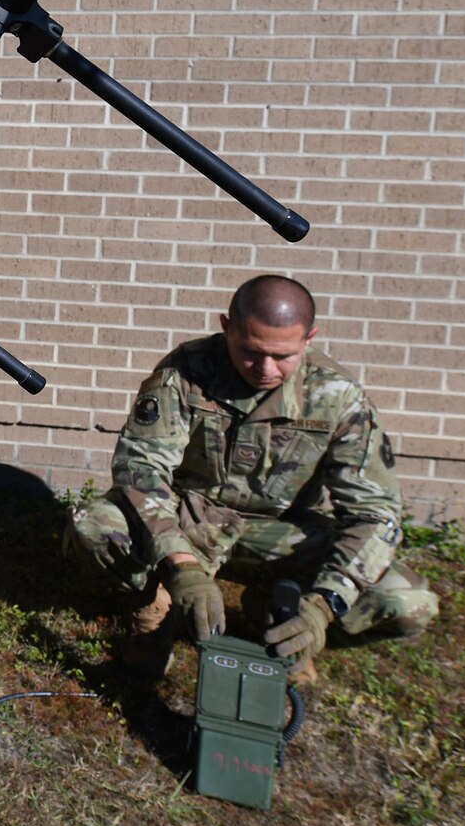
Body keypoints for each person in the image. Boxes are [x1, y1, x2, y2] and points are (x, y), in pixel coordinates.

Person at [70, 274, 437, 684]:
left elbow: (375, 514)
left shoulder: (337, 396)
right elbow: (141, 470)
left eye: (283, 356)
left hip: (284, 537)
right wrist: (182, 566)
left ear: (309, 338)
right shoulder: (187, 371)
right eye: (250, 351)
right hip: (192, 520)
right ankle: (158, 607)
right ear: (227, 327)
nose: (265, 369)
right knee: (95, 526)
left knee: (409, 603)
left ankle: (283, 614)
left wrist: (324, 604)